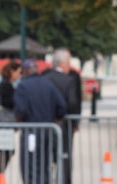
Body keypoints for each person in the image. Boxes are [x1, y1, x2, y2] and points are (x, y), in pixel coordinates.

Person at [14, 59, 66, 184]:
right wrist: (56, 119)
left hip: (31, 132)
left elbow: (20, 110)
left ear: (25, 71)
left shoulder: (23, 86)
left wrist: (18, 121)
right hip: (48, 132)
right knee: (45, 166)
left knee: (30, 167)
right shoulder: (47, 83)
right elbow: (62, 106)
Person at [42, 48, 80, 184]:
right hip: (63, 123)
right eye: (68, 63)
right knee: (64, 155)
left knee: (45, 155)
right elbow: (72, 102)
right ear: (62, 64)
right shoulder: (68, 80)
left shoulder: (44, 78)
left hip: (44, 123)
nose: (69, 66)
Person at [0, 60, 22, 175]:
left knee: (6, 151)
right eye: (18, 72)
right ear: (11, 71)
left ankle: (0, 177)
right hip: (5, 122)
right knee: (7, 150)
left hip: (4, 122)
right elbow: (7, 102)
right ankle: (0, 178)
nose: (19, 75)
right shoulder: (6, 84)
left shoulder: (5, 83)